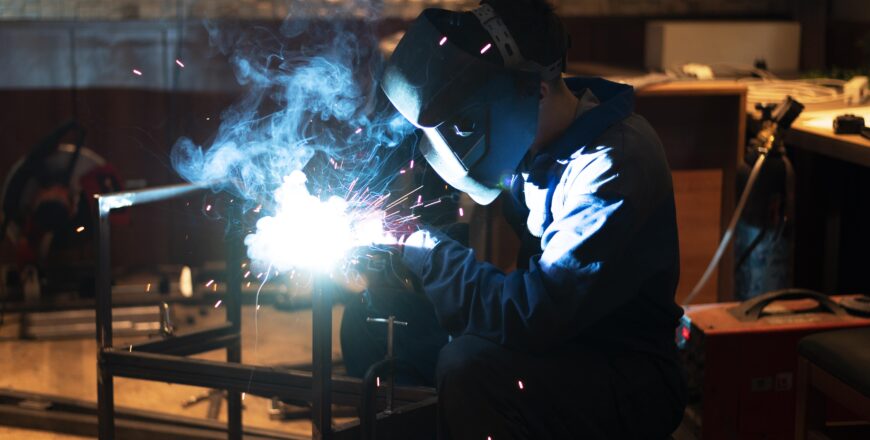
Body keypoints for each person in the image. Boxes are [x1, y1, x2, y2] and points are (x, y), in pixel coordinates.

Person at [340, 0, 687, 438]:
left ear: (536, 92)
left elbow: (534, 312)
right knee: (366, 323)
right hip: (557, 341)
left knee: (467, 367)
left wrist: (423, 248)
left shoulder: (612, 166)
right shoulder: (535, 144)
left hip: (622, 373)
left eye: (465, 124)